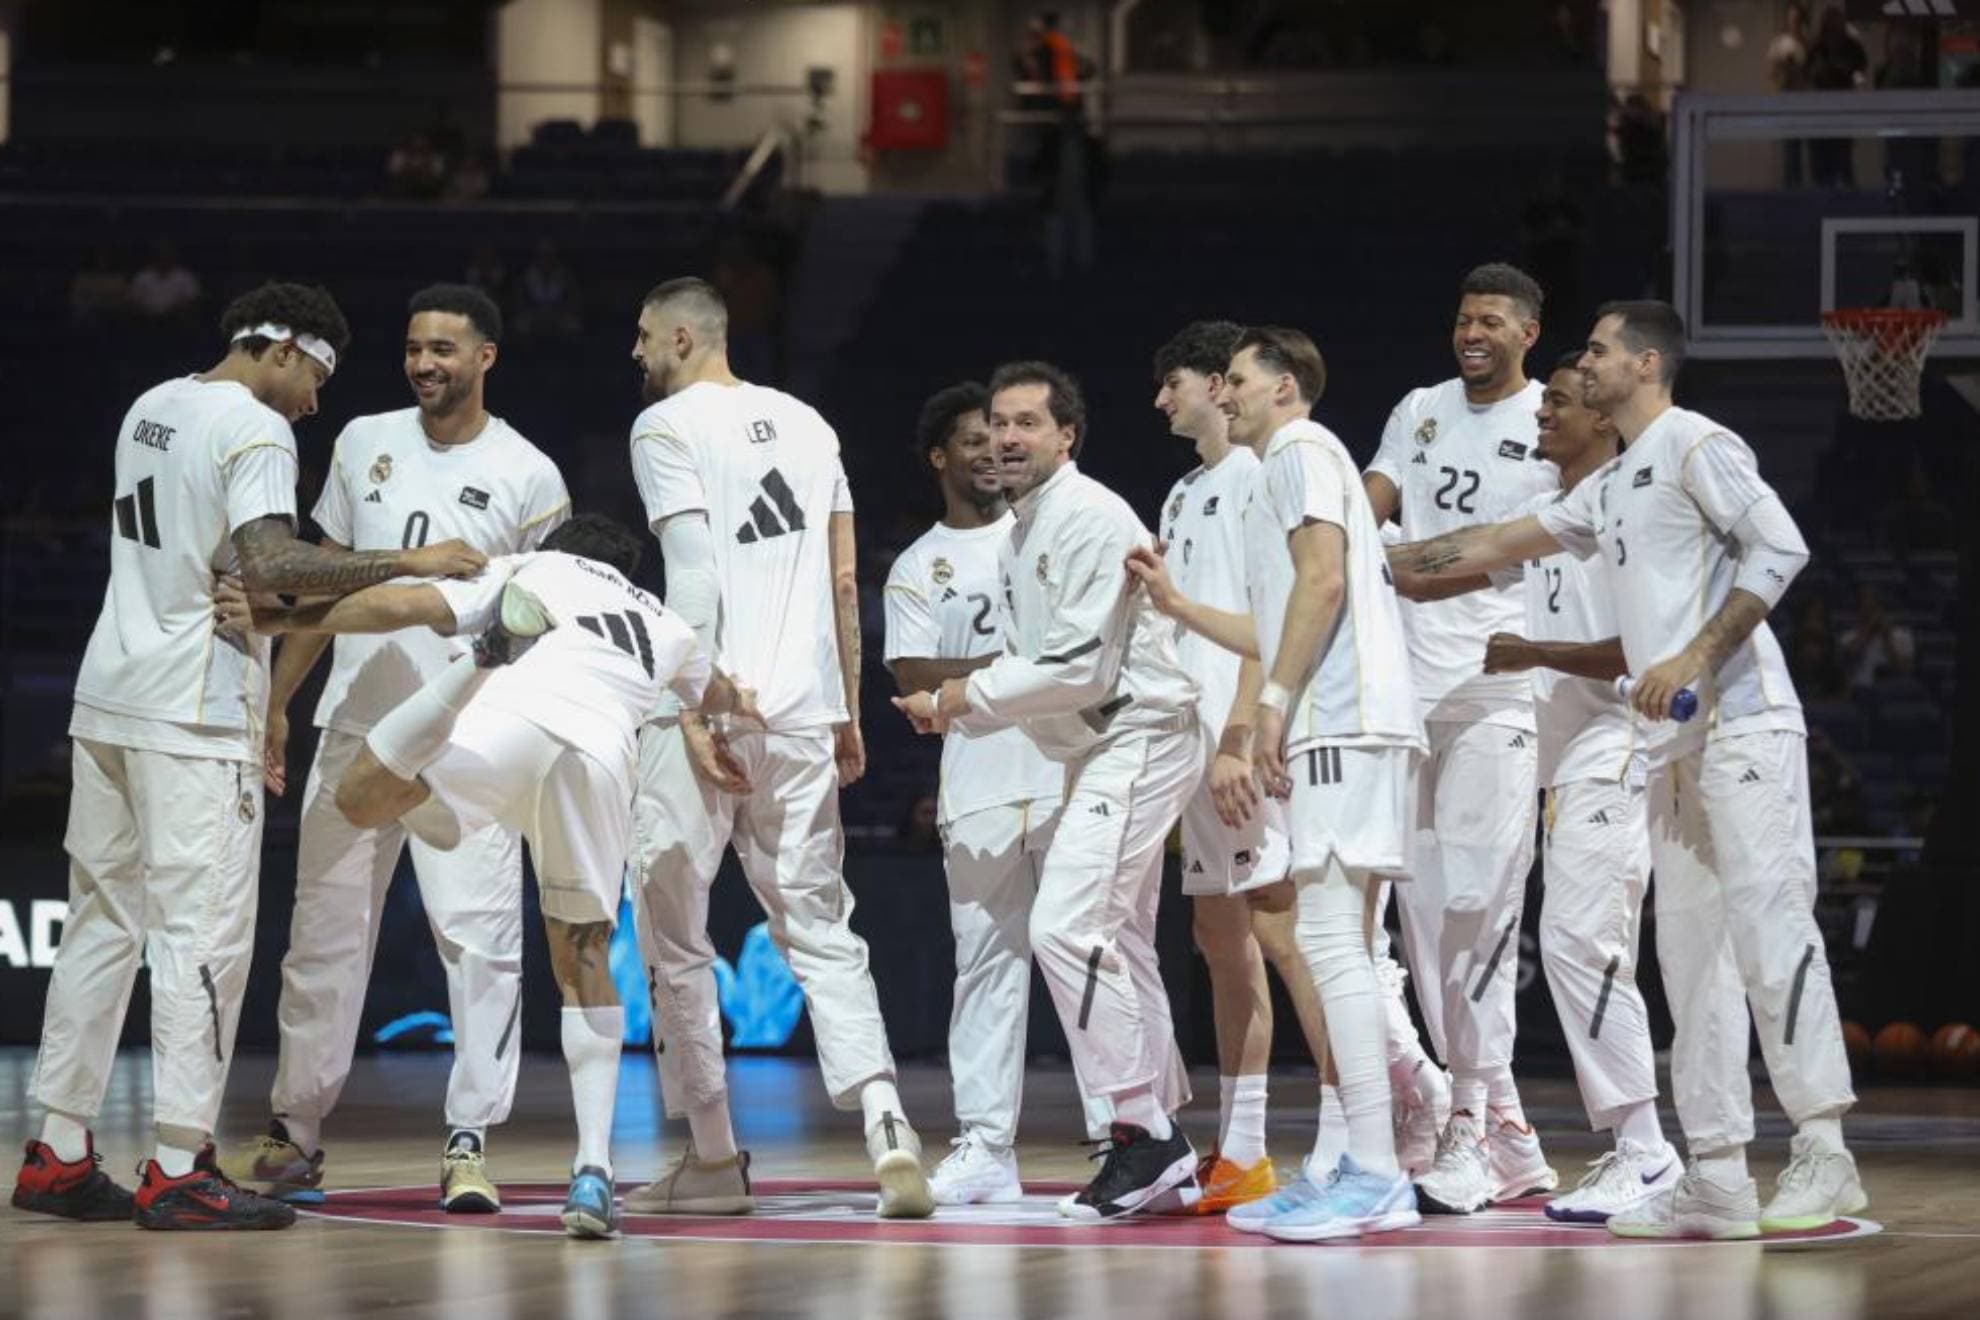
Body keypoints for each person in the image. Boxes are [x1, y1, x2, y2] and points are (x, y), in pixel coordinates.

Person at [11, 282, 485, 1231]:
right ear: (280, 348)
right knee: (203, 940)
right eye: (316, 376)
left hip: (108, 698)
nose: (316, 401)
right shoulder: (259, 431)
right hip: (193, 711)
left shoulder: (152, 404)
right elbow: (274, 564)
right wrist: (406, 561)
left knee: (103, 922)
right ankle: (181, 1166)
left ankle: (59, 1153)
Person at [1389, 299, 1865, 1239]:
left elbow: (1781, 546)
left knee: (1772, 931)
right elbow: (1484, 546)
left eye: (1601, 351)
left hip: (1747, 726)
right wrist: (1356, 550)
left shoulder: (1697, 442)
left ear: (1644, 364)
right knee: (1692, 964)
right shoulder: (1605, 489)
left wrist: (1692, 655)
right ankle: (1719, 1174)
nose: (1588, 364)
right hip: (1671, 746)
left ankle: (1824, 1147)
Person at [231, 514, 752, 1239]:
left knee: (362, 796)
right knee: (586, 957)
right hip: (599, 757)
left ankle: (482, 657)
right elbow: (719, 692)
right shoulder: (663, 622)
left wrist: (278, 614)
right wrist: (744, 707)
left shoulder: (527, 568)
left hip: (509, 727)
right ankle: (594, 1172)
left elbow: (400, 604)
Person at [229, 284, 570, 1212]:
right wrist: (277, 702)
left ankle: (469, 1139)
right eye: (415, 347)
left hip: (470, 739)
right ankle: (296, 1130)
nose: (425, 364)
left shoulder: (531, 474)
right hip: (354, 726)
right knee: (324, 935)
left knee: (479, 939)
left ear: (486, 357)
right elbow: (319, 586)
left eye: (445, 350)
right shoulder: (360, 440)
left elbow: (548, 623)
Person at [624, 277, 932, 1219]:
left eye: (643, 338)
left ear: (683, 337)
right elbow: (845, 578)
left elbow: (694, 571)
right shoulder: (808, 423)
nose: (635, 355)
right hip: (804, 712)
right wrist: (846, 707)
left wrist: (690, 708)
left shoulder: (665, 427)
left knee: (674, 933)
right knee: (821, 927)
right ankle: (889, 1128)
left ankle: (714, 1159)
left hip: (715, 703)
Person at [894, 360, 1200, 1221]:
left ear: (1067, 435)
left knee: (1067, 928)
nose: (1007, 438)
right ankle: (1160, 1140)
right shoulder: (1028, 528)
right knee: (1124, 945)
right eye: (998, 423)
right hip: (1095, 744)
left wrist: (960, 699)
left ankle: (1142, 1134)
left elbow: (1074, 667)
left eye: (1029, 422)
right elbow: (1041, 669)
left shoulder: (1090, 518)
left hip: (1137, 735)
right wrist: (961, 715)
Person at [1390, 354, 1678, 1224]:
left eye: (1562, 402)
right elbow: (1445, 560)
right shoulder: (1557, 513)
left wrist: (1539, 653)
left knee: (1574, 940)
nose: (1542, 415)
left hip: (1624, 741)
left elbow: (1650, 645)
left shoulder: (1631, 504)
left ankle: (1641, 1150)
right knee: (1507, 931)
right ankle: (1513, 1133)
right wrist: (1337, 547)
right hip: (1564, 752)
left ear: (1605, 419)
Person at [1189, 326, 1424, 1241]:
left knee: (1334, 942)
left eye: (1238, 377)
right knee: (1337, 942)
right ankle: (1358, 1163)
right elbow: (1284, 612)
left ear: (1285, 387)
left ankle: (1375, 1171)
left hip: (1346, 720)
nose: (1227, 390)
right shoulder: (1293, 462)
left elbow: (1321, 585)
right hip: (1351, 720)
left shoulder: (1296, 450)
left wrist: (1273, 710)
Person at [1362, 261, 1560, 1212]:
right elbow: (1372, 501)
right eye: (1460, 316)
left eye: (1489, 319)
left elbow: (1488, 554)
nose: (1470, 331)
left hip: (1499, 688)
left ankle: (1473, 1128)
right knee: (1422, 920)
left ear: (1529, 330)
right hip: (1406, 689)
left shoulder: (1554, 423)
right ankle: (1504, 1126)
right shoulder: (1419, 406)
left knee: (1483, 910)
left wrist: (1376, 563)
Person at [1125, 320, 1334, 1217]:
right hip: (1196, 742)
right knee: (1221, 942)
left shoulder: (1259, 474)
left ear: (1219, 383)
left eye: (1173, 383)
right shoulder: (1183, 493)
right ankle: (1242, 1148)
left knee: (1291, 937)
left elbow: (1272, 613)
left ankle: (1356, 1128)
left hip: (1242, 746)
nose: (1160, 400)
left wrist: (1242, 734)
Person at [883, 382, 1111, 1204]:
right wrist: (1027, 671)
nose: (993, 450)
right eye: (974, 439)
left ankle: (1119, 1135)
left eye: (1007, 432)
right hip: (977, 778)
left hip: (1069, 767)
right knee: (984, 967)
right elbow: (909, 673)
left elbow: (1089, 654)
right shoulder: (918, 565)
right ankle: (984, 1146)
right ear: (940, 456)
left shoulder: (1054, 530)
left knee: (1088, 955)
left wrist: (998, 674)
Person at [1768, 3, 1811, 185]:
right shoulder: (1780, 44)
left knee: (1813, 144)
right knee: (1791, 145)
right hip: (1788, 97)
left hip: (1809, 98)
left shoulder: (1810, 43)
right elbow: (1771, 73)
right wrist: (1783, 67)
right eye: (1791, 19)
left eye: (1798, 20)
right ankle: (1791, 183)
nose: (1794, 23)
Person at [126, 243, 201, 320]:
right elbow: (133, 301)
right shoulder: (143, 276)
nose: (163, 258)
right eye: (160, 256)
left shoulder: (185, 277)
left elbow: (192, 300)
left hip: (176, 320)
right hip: (146, 319)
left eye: (166, 255)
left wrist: (173, 311)